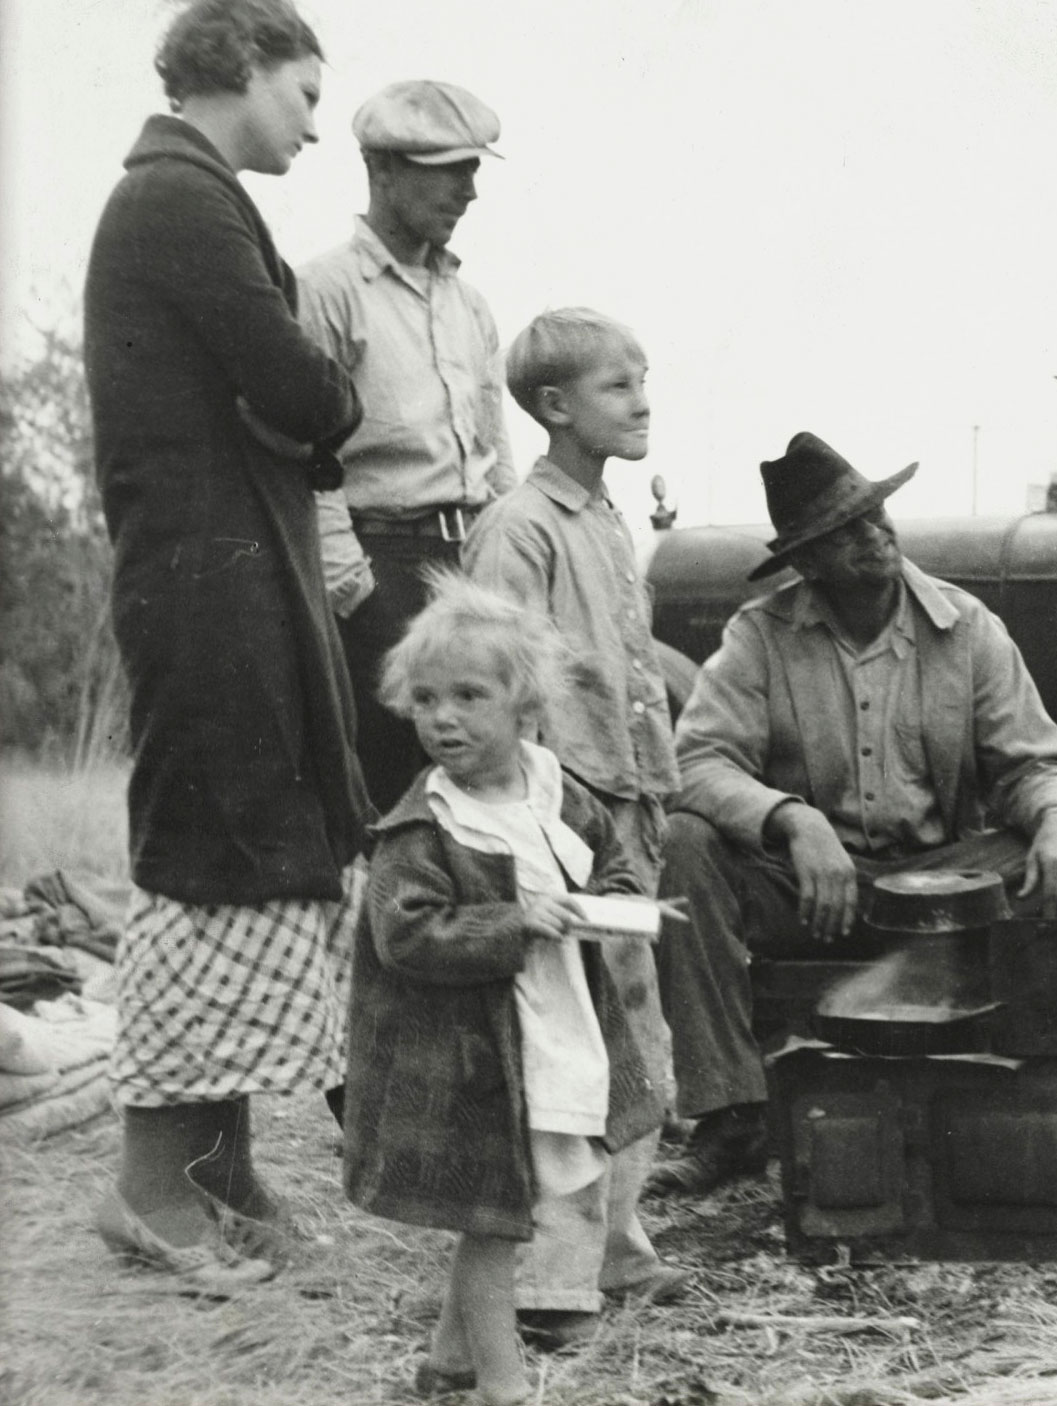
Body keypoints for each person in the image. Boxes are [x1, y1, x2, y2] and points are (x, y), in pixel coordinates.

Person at [82, 0, 368, 1292]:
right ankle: (153, 1185)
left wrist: (299, 417)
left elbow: (299, 416)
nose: (315, 126)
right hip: (206, 587)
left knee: (251, 831)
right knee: (210, 847)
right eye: (305, 93)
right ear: (243, 63)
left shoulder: (196, 197)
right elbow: (309, 394)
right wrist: (305, 408)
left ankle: (219, 1164)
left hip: (230, 574)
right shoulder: (179, 200)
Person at [651, 432, 1057, 1194]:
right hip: (811, 891)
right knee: (683, 845)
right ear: (807, 560)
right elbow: (693, 763)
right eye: (844, 529)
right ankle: (731, 1116)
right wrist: (793, 821)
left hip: (934, 893)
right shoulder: (759, 637)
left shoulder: (966, 626)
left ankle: (1021, 1082)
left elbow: (1029, 764)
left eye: (877, 514)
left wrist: (1054, 816)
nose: (874, 534)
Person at [342, 574, 666, 1406]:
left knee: (505, 1206)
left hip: (552, 1035)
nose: (441, 718)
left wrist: (621, 902)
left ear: (525, 708)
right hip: (474, 1056)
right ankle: (501, 1386)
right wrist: (516, 924)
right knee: (493, 1219)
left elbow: (613, 857)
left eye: (468, 696)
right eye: (424, 699)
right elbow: (405, 934)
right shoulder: (425, 825)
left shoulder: (554, 787)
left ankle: (449, 1362)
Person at [461, 308, 685, 1347]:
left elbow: (626, 670)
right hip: (565, 817)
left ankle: (616, 1251)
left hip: (627, 805)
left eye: (643, 381)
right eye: (617, 386)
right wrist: (541, 825)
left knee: (635, 1029)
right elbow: (501, 680)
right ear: (553, 407)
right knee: (568, 1041)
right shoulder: (523, 527)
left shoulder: (604, 519)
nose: (641, 401)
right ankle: (550, 1285)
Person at [299, 78, 516, 812]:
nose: (468, 193)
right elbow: (307, 463)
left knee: (486, 794)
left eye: (474, 171)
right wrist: (357, 596)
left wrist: (504, 572)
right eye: (448, 170)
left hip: (470, 571)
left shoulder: (470, 304)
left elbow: (495, 452)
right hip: (380, 568)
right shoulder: (327, 291)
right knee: (394, 795)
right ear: (382, 169)